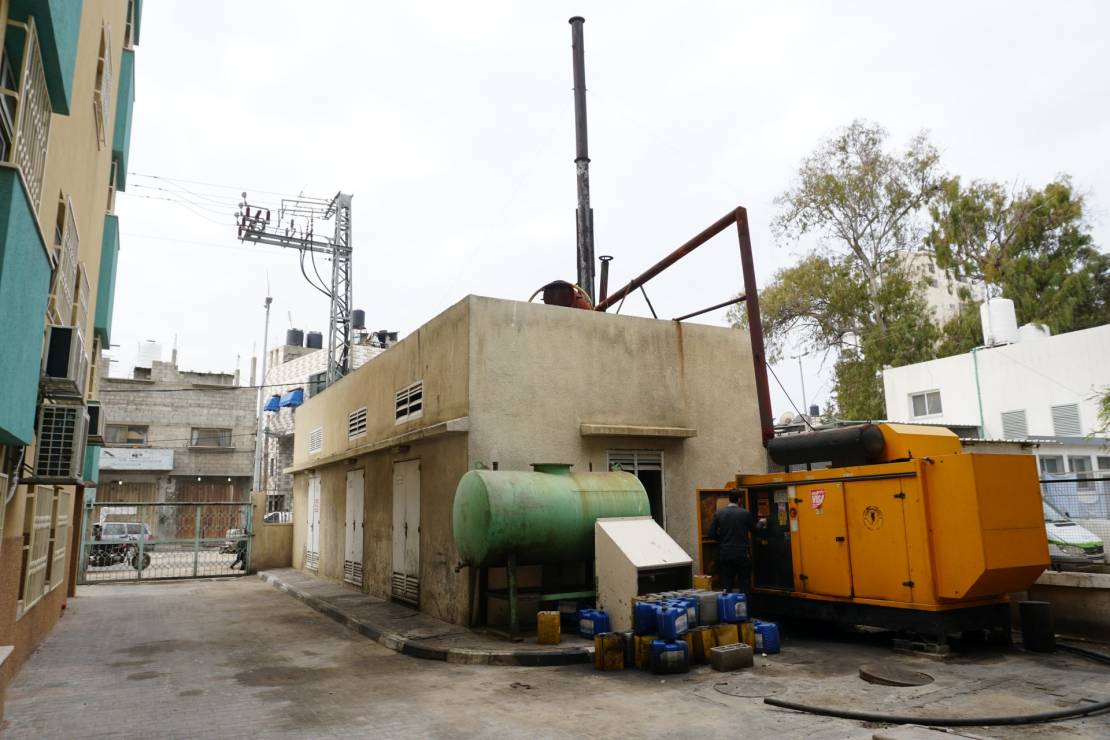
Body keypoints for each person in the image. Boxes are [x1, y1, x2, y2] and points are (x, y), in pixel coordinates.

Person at [708, 490, 764, 594]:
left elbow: (711, 533)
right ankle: (745, 607)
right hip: (742, 554)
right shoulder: (745, 513)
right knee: (744, 583)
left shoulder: (719, 513)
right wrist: (761, 523)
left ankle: (728, 607)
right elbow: (755, 530)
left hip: (725, 554)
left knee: (727, 583)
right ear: (739, 500)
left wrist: (722, 540)